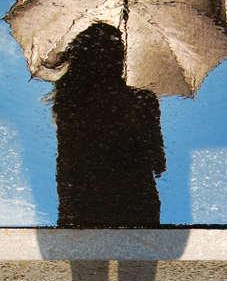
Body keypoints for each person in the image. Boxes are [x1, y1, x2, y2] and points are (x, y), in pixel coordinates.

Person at [52, 22, 166, 227]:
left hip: (84, 203)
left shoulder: (71, 101)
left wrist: (67, 211)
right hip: (135, 202)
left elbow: (66, 165)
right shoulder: (142, 100)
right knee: (136, 257)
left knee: (91, 258)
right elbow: (157, 162)